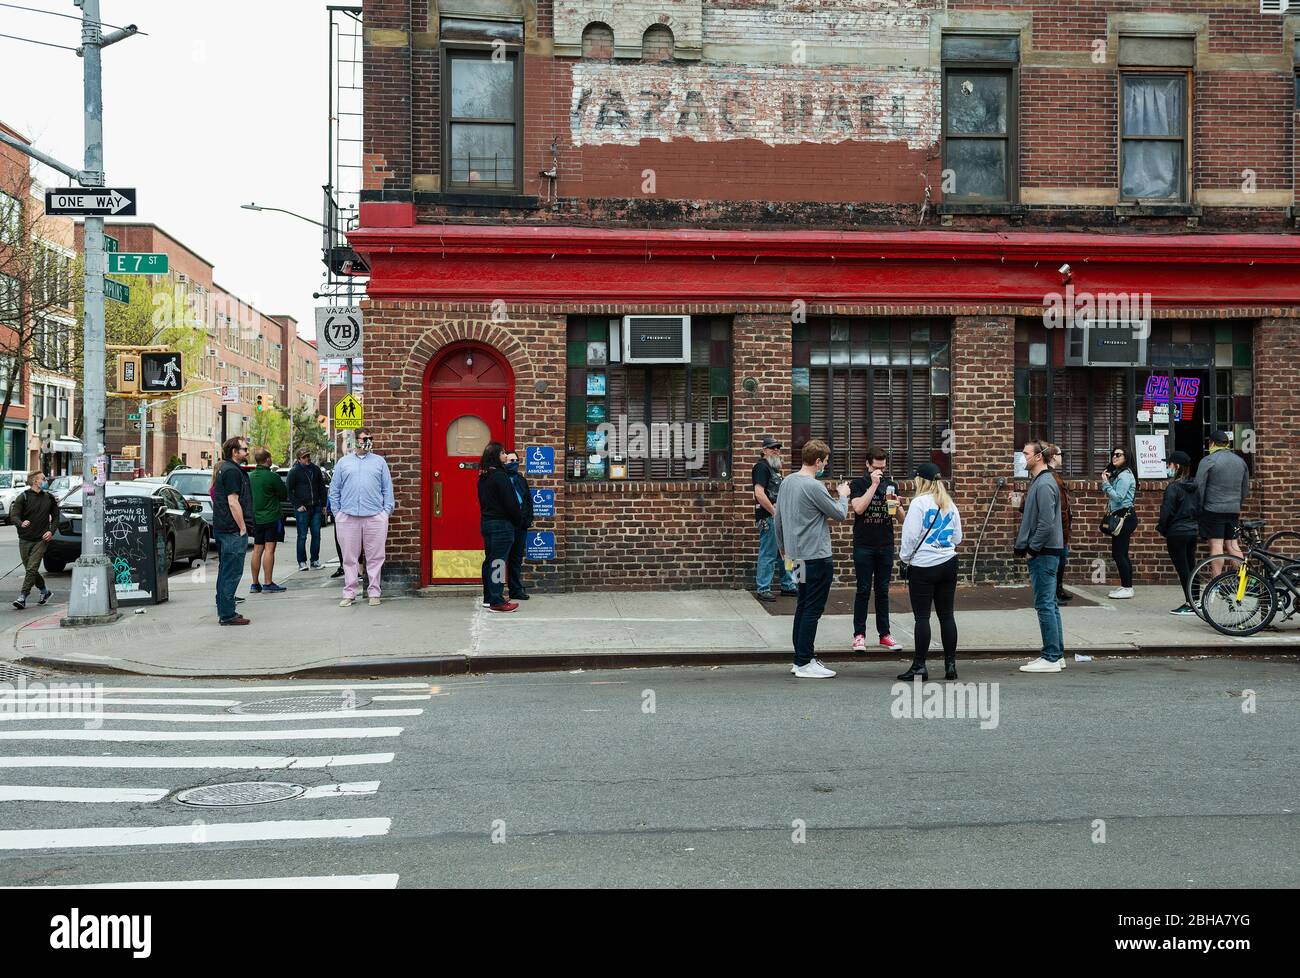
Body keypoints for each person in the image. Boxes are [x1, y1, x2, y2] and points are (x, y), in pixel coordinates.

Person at [773, 439, 851, 679]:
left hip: (795, 557)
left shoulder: (787, 482)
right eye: (825, 462)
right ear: (818, 461)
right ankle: (805, 661)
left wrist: (783, 549)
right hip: (816, 556)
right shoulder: (814, 486)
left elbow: (778, 518)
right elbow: (839, 514)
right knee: (813, 609)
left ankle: (800, 659)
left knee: (802, 605)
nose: (825, 466)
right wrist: (843, 495)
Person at [897, 462, 962, 681]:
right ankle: (950, 665)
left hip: (924, 566)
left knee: (922, 617)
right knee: (947, 616)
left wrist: (904, 559)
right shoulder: (949, 504)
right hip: (948, 562)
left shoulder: (918, 503)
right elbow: (957, 538)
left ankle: (919, 666)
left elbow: (910, 537)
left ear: (920, 481)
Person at [328, 427, 394, 608]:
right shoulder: (343, 463)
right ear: (355, 440)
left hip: (374, 516)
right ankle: (349, 593)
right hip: (348, 516)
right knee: (349, 558)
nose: (367, 442)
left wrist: (385, 512)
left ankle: (374, 592)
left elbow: (387, 489)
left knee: (375, 557)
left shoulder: (379, 462)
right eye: (364, 439)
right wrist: (338, 513)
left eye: (369, 438)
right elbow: (334, 490)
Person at [1016, 438, 1066, 673]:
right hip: (1046, 551)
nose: (1022, 457)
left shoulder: (1045, 484)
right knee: (1050, 604)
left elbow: (1046, 523)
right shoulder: (1040, 481)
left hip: (1044, 552)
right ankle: (1056, 653)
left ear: (1038, 457)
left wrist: (1032, 548)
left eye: (1026, 453)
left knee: (1045, 604)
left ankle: (1052, 657)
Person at [848, 448, 905, 652]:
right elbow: (859, 508)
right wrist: (873, 485)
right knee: (863, 590)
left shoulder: (891, 485)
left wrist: (898, 506)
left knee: (882, 591)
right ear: (867, 465)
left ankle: (885, 634)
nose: (879, 471)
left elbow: (901, 519)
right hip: (864, 544)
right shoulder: (858, 484)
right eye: (875, 467)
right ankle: (859, 635)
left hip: (885, 544)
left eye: (882, 468)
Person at [1195, 429, 1250, 577]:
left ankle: (1216, 581)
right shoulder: (1240, 461)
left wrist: (1200, 507)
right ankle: (1243, 580)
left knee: (1216, 545)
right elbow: (1245, 490)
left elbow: (1199, 487)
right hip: (1233, 509)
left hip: (1213, 509)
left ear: (1211, 443)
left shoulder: (1208, 461)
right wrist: (1237, 504)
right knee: (1233, 545)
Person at [478, 442, 524, 612]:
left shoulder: (483, 476)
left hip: (487, 524)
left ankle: (489, 597)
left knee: (490, 560)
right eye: (503, 453)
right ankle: (497, 601)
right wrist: (518, 519)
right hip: (502, 525)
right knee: (498, 562)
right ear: (496, 456)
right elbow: (510, 502)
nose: (506, 456)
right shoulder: (500, 476)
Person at [212, 436, 254, 626]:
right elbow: (232, 501)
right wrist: (242, 527)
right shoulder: (231, 472)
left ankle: (224, 609)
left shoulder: (226, 469)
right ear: (234, 452)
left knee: (225, 571)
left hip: (224, 528)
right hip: (232, 530)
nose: (247, 452)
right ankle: (227, 614)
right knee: (231, 572)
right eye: (244, 449)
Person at [752, 436, 796, 602]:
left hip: (781, 518)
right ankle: (763, 588)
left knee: (786, 553)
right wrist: (774, 512)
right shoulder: (761, 467)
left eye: (778, 448)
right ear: (764, 451)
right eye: (772, 448)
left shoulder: (774, 469)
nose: (776, 450)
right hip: (769, 518)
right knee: (769, 554)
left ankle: (788, 584)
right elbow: (759, 493)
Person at [1158, 450, 1201, 616]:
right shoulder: (1195, 486)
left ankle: (1190, 602)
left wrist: (1163, 528)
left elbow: (1166, 512)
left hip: (1176, 532)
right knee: (1191, 566)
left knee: (1183, 569)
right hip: (1191, 530)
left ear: (1176, 466)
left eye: (1169, 464)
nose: (1167, 467)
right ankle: (1196, 600)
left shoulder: (1173, 488)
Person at [10, 470, 57, 610]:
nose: (45, 481)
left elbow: (56, 518)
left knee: (31, 568)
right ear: (35, 481)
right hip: (24, 539)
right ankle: (45, 592)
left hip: (41, 539)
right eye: (43, 479)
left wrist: (51, 531)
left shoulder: (49, 497)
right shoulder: (23, 497)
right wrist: (20, 523)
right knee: (31, 569)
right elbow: (14, 516)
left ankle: (22, 597)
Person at [247, 449, 288, 594]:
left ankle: (254, 583)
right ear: (268, 460)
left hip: (256, 518)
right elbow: (283, 494)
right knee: (269, 549)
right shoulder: (272, 477)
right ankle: (268, 582)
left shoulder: (250, 477)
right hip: (271, 517)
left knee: (257, 550)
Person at [1101, 445, 1138, 599]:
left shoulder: (1124, 476)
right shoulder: (1120, 474)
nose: (1114, 457)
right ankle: (1125, 585)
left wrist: (1105, 482)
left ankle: (1127, 588)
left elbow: (1118, 497)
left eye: (1118, 454)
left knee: (1119, 554)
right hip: (1122, 516)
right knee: (1121, 553)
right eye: (1113, 454)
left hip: (1124, 517)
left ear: (1126, 457)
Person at [287, 449, 327, 571]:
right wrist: (297, 505)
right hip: (302, 509)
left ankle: (314, 560)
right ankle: (302, 562)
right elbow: (288, 490)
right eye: (304, 457)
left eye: (308, 456)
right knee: (302, 536)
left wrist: (324, 505)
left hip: (316, 507)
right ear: (299, 459)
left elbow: (321, 488)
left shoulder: (316, 470)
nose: (307, 458)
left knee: (316, 535)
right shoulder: (294, 472)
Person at [503, 450, 534, 602]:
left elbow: (528, 500)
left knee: (515, 559)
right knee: (501, 558)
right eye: (510, 461)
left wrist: (527, 519)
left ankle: (515, 589)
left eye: (516, 460)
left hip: (520, 526)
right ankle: (497, 590)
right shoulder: (501, 480)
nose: (513, 463)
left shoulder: (521, 480)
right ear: (504, 462)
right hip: (506, 525)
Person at [1047, 444, 1073, 603]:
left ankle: (1058, 589)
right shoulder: (1051, 477)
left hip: (1061, 526)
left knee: (1062, 558)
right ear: (1054, 457)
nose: (1062, 456)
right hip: (1058, 527)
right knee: (1059, 559)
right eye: (1060, 454)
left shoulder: (1053, 476)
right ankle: (1055, 593)